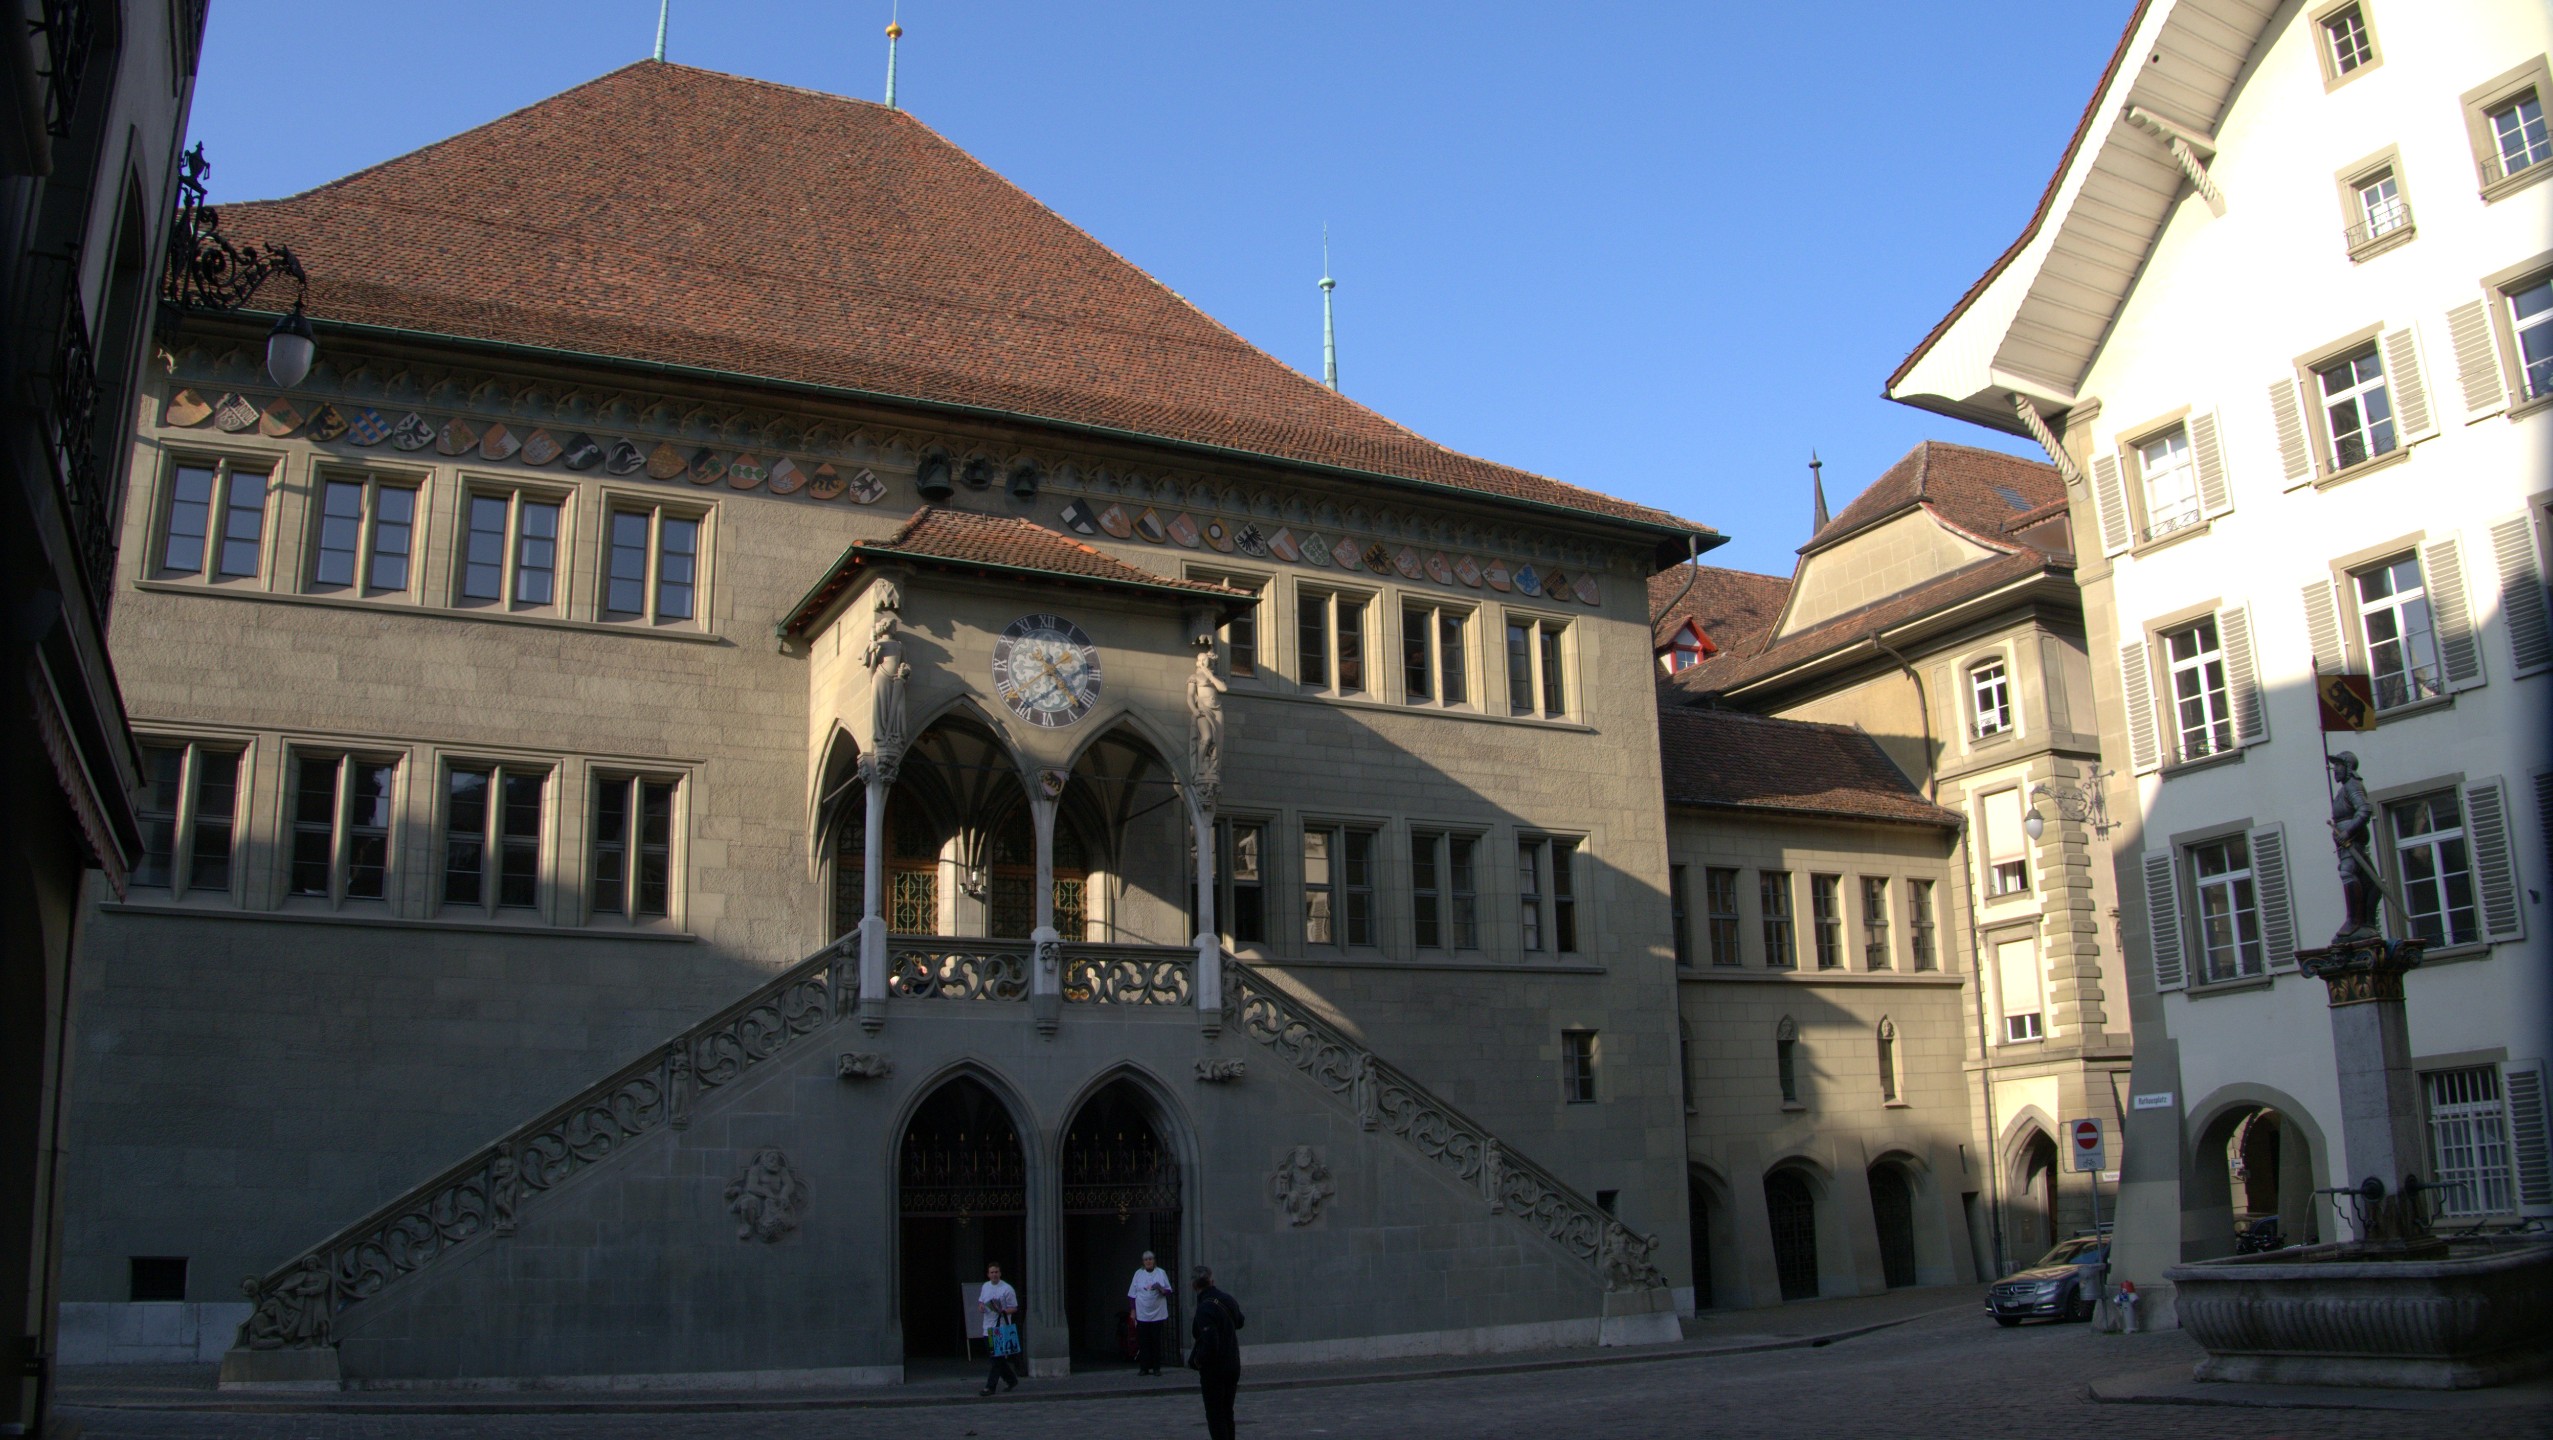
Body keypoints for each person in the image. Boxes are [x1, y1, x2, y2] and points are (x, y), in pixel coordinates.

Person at [1187, 1265, 1245, 1440]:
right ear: (1212, 1280)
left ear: (1194, 1285)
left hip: (1215, 1369)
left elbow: (1210, 1342)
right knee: (1227, 1412)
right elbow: (1240, 1321)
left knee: (1215, 1414)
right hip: (1233, 1363)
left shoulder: (1204, 1308)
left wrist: (1198, 1360)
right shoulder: (1227, 1299)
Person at [1127, 1251, 1175, 1375]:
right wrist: (1133, 1310)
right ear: (1143, 1262)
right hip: (1142, 1312)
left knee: (1155, 1340)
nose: (1148, 1261)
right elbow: (1132, 1294)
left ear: (1154, 1260)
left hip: (1157, 1312)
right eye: (1146, 1259)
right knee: (1144, 1341)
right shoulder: (1138, 1274)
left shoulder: (1161, 1273)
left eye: (1150, 1259)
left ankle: (1156, 1367)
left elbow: (1169, 1290)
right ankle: (1144, 1367)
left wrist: (1160, 1289)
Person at [977, 1262, 1020, 1396]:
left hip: (1000, 1328)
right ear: (988, 1274)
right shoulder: (985, 1286)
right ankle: (1011, 1379)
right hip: (987, 1327)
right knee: (996, 1358)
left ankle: (990, 1387)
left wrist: (1003, 1311)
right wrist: (981, 1307)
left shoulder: (1007, 1289)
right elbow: (981, 1302)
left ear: (1000, 1273)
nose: (994, 1274)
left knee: (996, 1358)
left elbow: (1014, 1307)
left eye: (996, 1272)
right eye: (992, 1272)